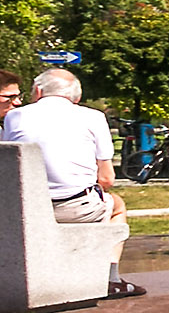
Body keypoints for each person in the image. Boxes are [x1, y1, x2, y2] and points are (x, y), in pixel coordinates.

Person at [2, 69, 138, 296]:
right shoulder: (94, 117)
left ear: (38, 92)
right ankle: (110, 278)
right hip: (75, 207)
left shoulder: (14, 117)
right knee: (117, 206)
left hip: (26, 209)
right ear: (77, 97)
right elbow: (106, 179)